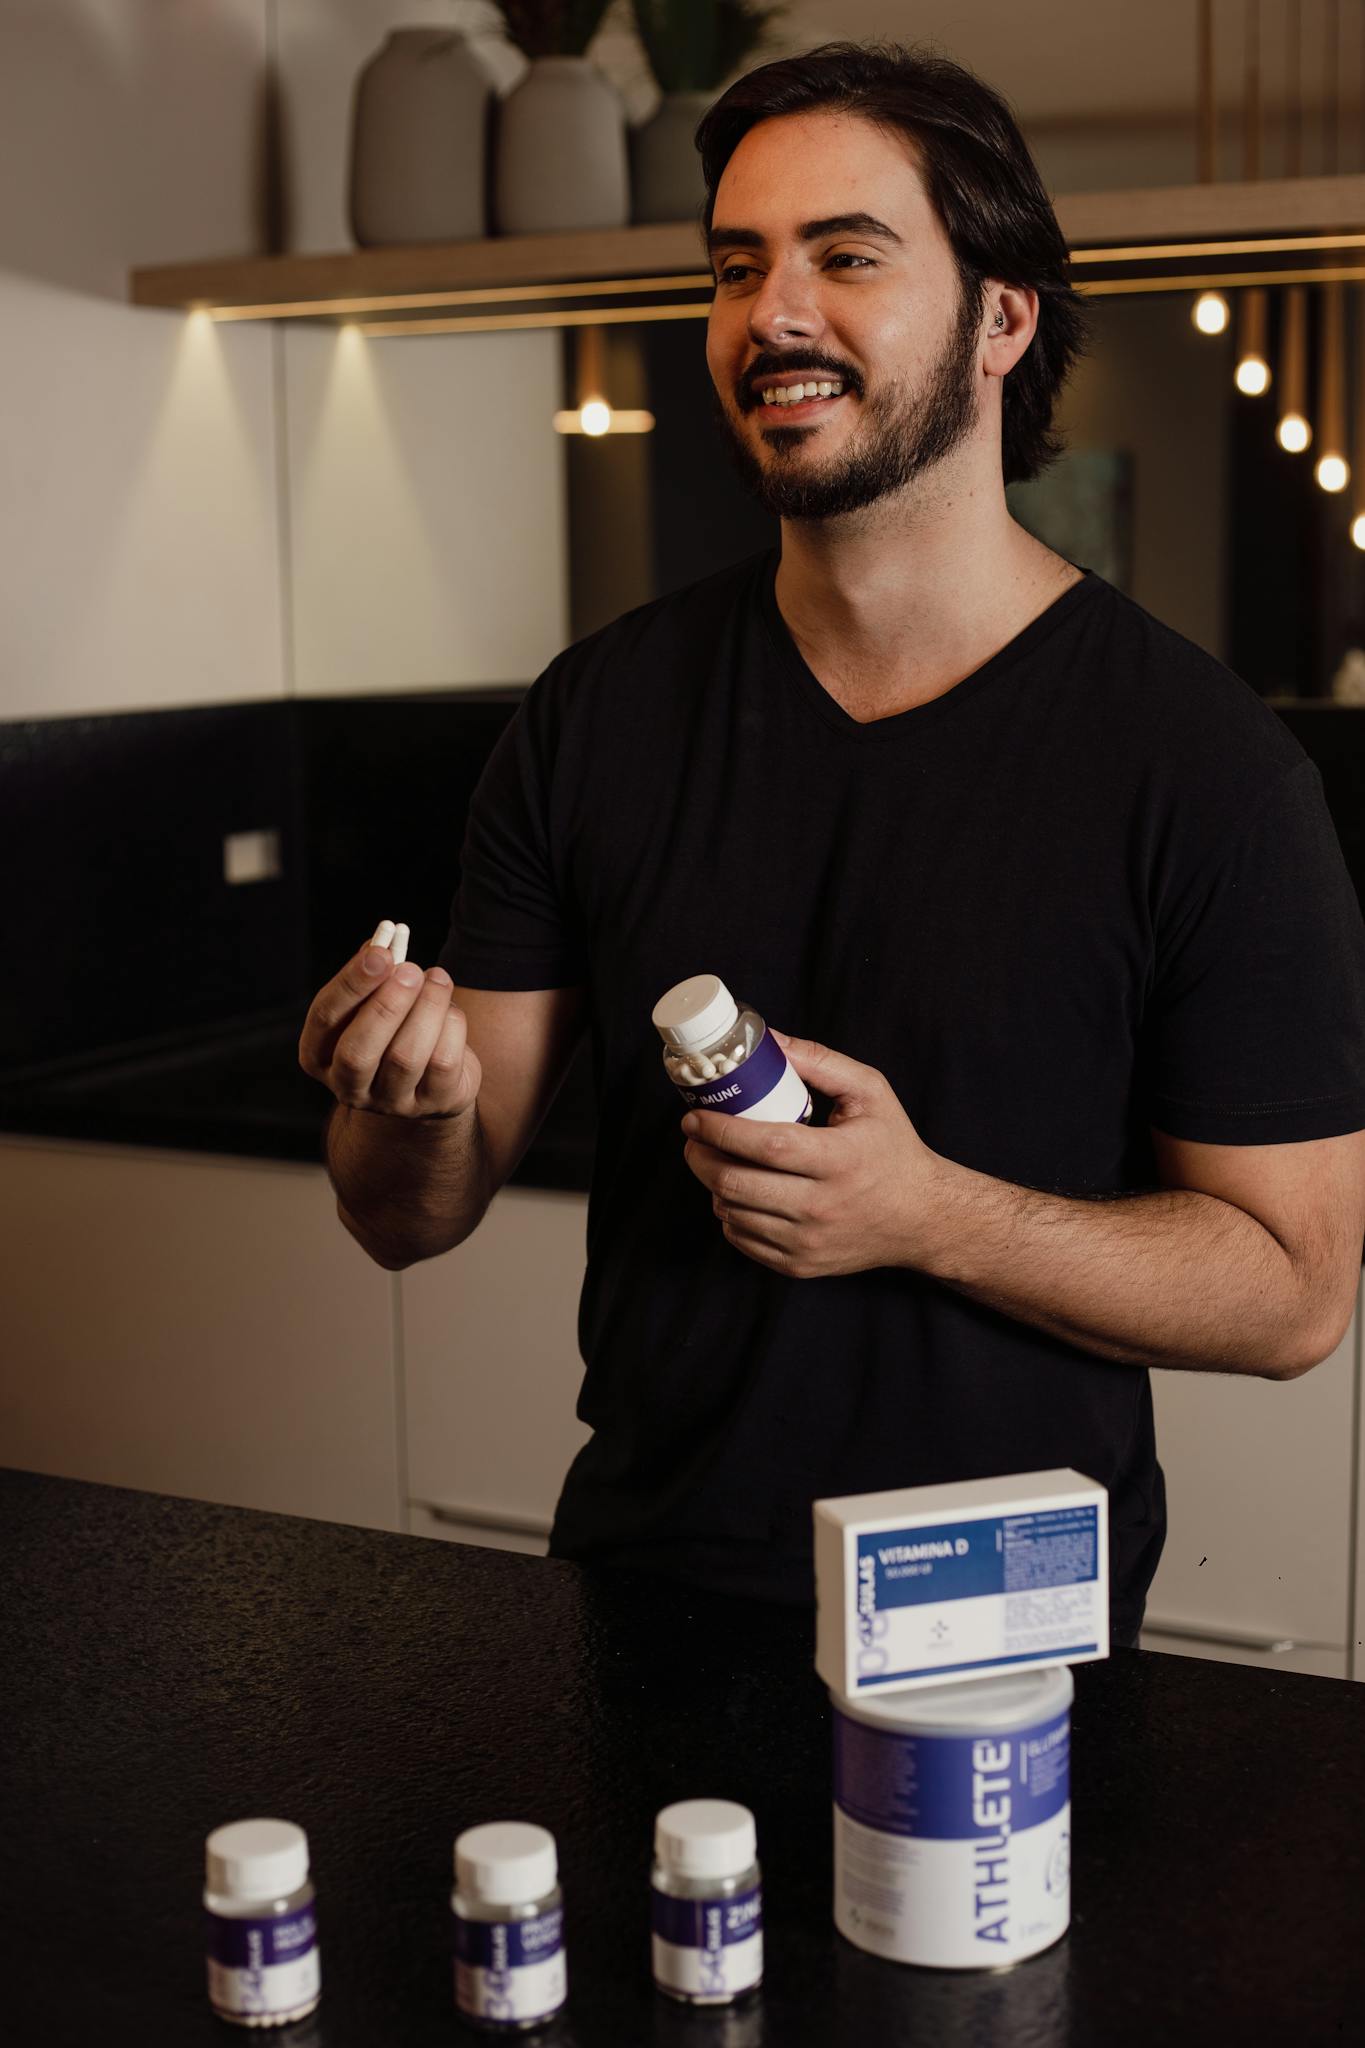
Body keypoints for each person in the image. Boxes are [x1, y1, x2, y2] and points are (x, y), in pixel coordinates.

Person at [299, 43, 1365, 1648]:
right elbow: (407, 1212)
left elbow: (1293, 1295)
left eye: (845, 255)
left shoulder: (1201, 766)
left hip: (1000, 1619)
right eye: (738, 266)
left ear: (1002, 317)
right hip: (645, 1581)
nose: (772, 313)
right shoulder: (597, 714)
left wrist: (926, 1209)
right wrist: (404, 1104)